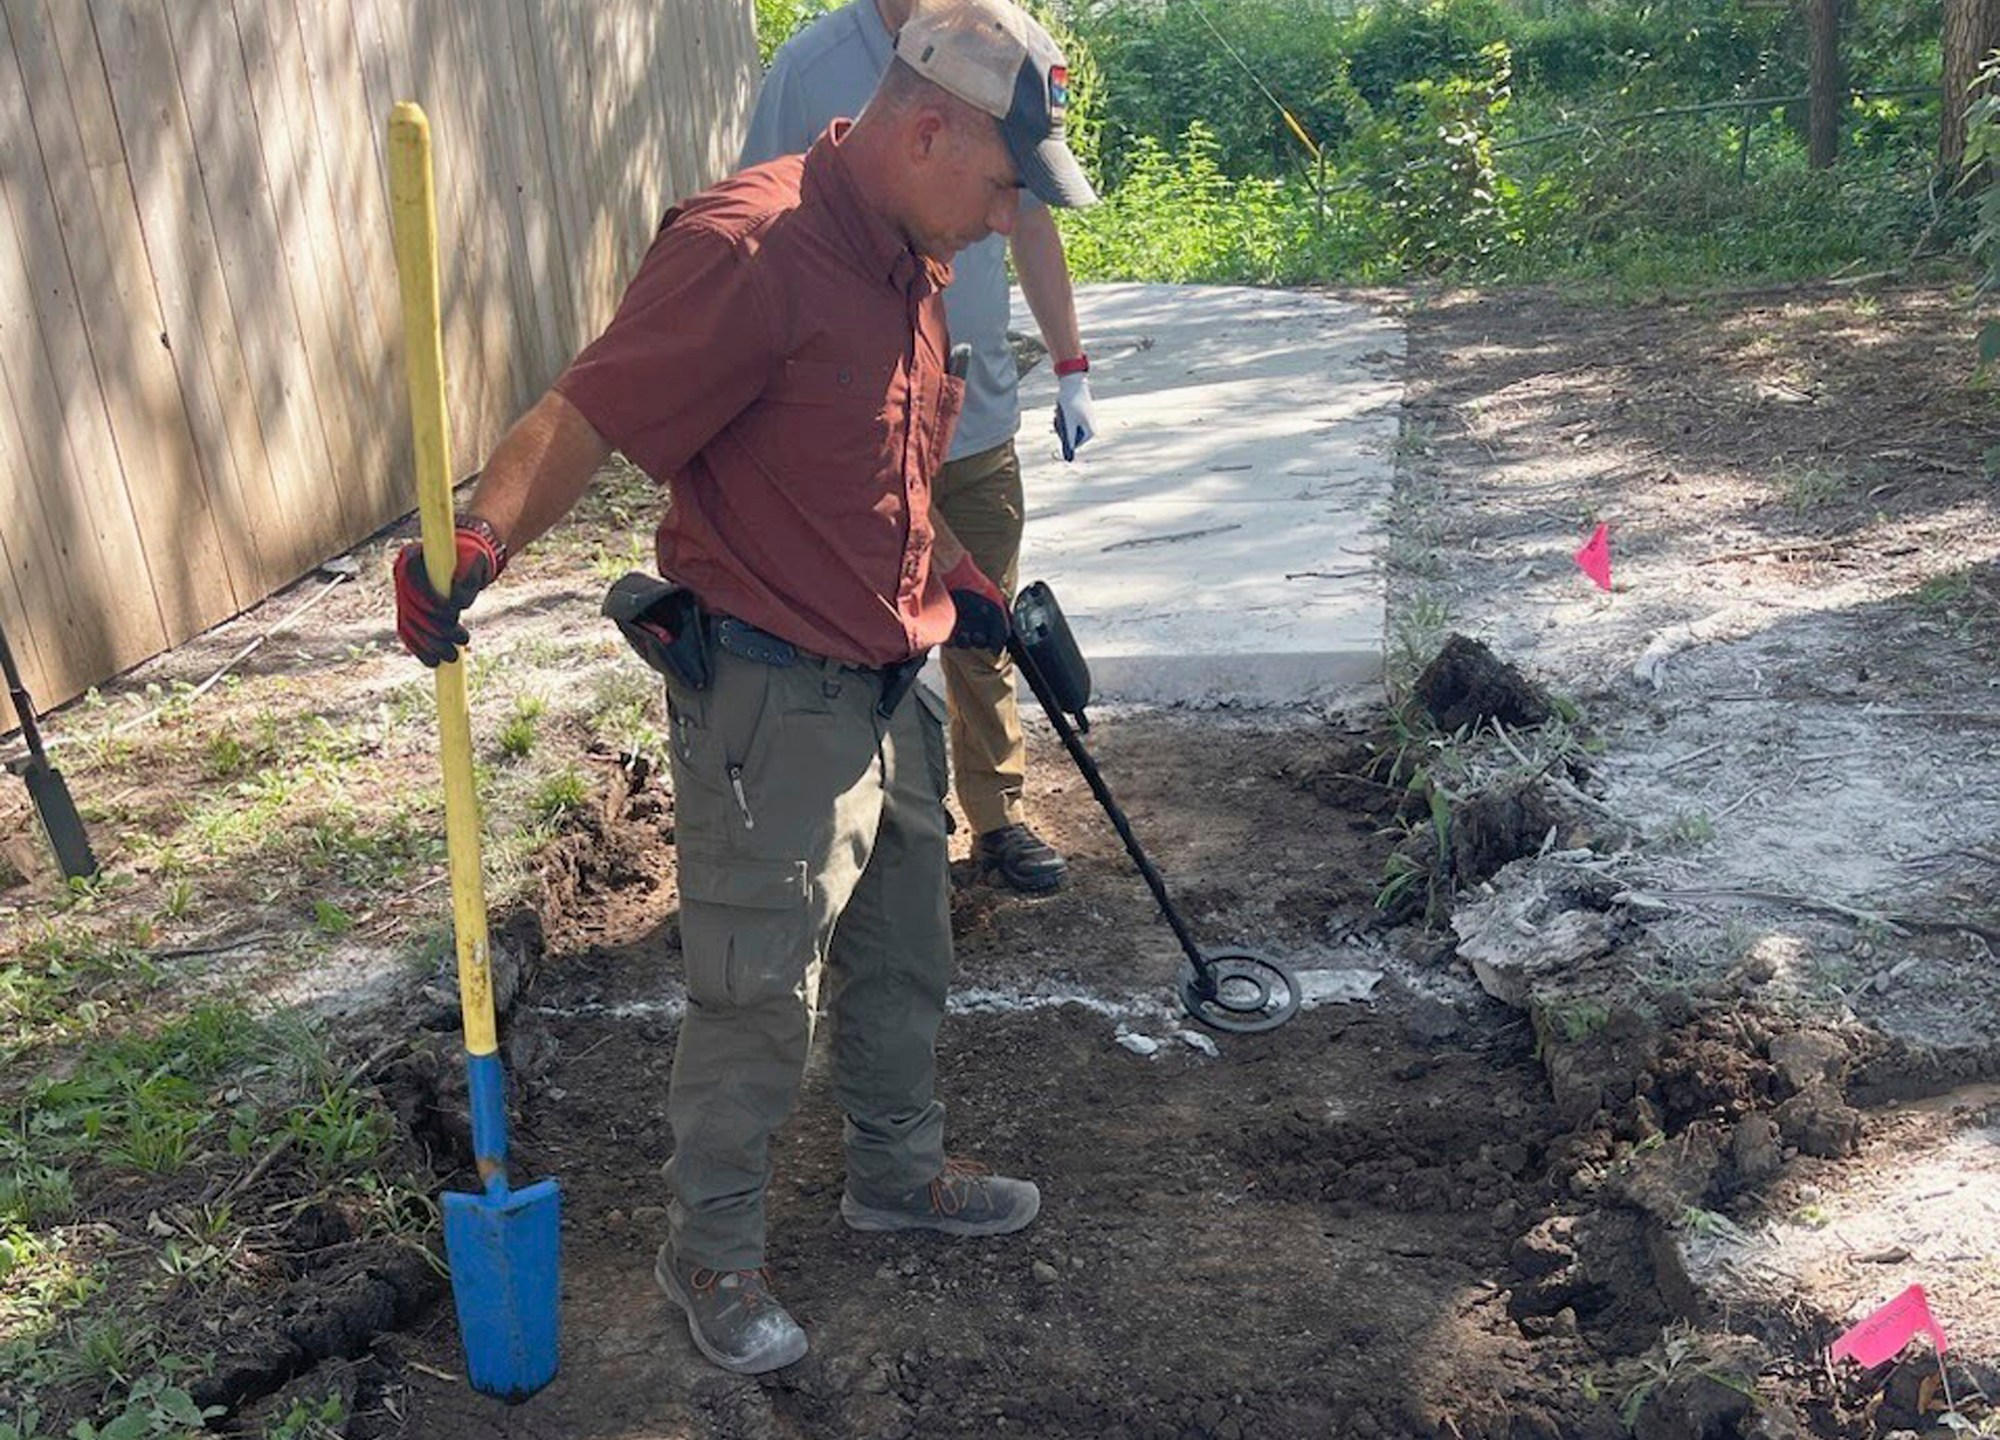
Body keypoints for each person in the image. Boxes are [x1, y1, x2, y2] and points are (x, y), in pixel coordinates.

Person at [392, 0, 1096, 1378]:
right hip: (772, 700)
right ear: (927, 128)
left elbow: (882, 472)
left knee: (905, 947)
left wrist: (970, 585)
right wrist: (474, 542)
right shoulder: (747, 248)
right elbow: (590, 408)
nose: (1016, 217)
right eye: (1008, 185)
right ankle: (710, 1255)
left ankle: (896, 1173)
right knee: (757, 994)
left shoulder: (910, 251)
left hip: (893, 668)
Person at [740, 0, 1098, 895]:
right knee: (867, 628)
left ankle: (998, 812)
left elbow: (1035, 215)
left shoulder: (1003, 43)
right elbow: (766, 225)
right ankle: (885, 816)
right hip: (857, 422)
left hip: (972, 418)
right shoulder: (810, 66)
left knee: (984, 617)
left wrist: (1071, 366)